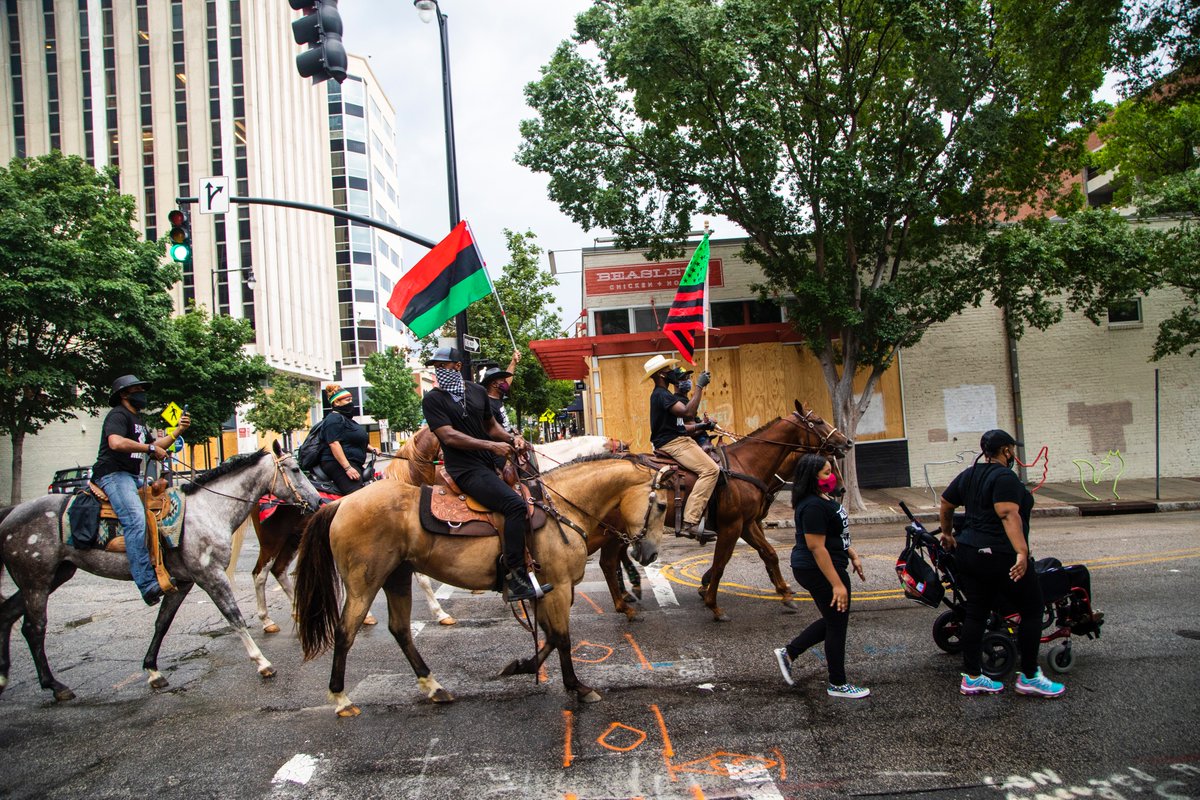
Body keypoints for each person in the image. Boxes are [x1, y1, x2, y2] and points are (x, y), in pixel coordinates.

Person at [939, 429, 1065, 698]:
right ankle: (1030, 676)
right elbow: (1007, 514)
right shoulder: (1005, 477)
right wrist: (1021, 552)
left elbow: (946, 502)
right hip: (999, 554)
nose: (1014, 454)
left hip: (969, 553)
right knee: (1033, 609)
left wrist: (948, 534)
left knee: (976, 612)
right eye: (1012, 449)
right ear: (1006, 451)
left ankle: (973, 677)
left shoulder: (969, 474)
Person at [421, 346, 551, 602]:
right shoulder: (433, 399)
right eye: (435, 366)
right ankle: (515, 576)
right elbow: (448, 436)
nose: (438, 369)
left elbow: (491, 427)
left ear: (458, 366)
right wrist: (491, 446)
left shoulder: (477, 391)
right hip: (465, 469)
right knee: (515, 506)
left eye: (443, 365)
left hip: (488, 465)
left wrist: (512, 439)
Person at [772, 453, 870, 698]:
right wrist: (836, 584)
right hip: (819, 570)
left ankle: (789, 653)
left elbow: (836, 535)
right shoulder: (812, 506)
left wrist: (853, 555)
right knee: (837, 623)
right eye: (826, 472)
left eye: (830, 471)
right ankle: (838, 683)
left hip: (827, 566)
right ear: (812, 477)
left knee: (833, 619)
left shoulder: (822, 499)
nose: (832, 476)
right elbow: (817, 547)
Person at [90, 374, 191, 606]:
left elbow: (155, 447)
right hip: (113, 475)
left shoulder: (138, 419)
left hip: (134, 477)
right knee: (136, 520)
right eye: (137, 390)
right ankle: (147, 584)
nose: (142, 394)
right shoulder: (118, 415)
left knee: (165, 508)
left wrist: (177, 432)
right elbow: (115, 442)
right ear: (124, 394)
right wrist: (148, 447)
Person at [644, 354, 717, 541]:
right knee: (711, 470)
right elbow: (687, 412)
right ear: (661, 375)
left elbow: (680, 425)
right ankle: (691, 522)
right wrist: (699, 387)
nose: (671, 372)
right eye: (668, 370)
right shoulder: (661, 395)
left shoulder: (664, 395)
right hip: (674, 444)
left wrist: (702, 426)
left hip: (680, 439)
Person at [318, 384, 377, 495]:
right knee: (359, 496)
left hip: (354, 463)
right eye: (347, 400)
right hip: (337, 464)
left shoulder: (348, 420)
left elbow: (354, 440)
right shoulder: (333, 419)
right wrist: (347, 468)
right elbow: (334, 444)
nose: (351, 403)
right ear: (336, 403)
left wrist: (372, 449)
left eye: (351, 400)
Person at [666, 367, 716, 450]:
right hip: (694, 443)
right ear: (676, 383)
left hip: (703, 439)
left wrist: (706, 422)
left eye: (688, 378)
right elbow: (686, 430)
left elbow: (693, 421)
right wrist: (704, 425)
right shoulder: (677, 403)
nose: (687, 381)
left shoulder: (685, 400)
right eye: (683, 379)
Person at [480, 349, 520, 435]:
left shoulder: (498, 397)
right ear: (494, 384)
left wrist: (513, 362)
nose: (506, 383)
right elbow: (493, 430)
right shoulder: (488, 405)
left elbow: (509, 380)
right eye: (503, 381)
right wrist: (512, 439)